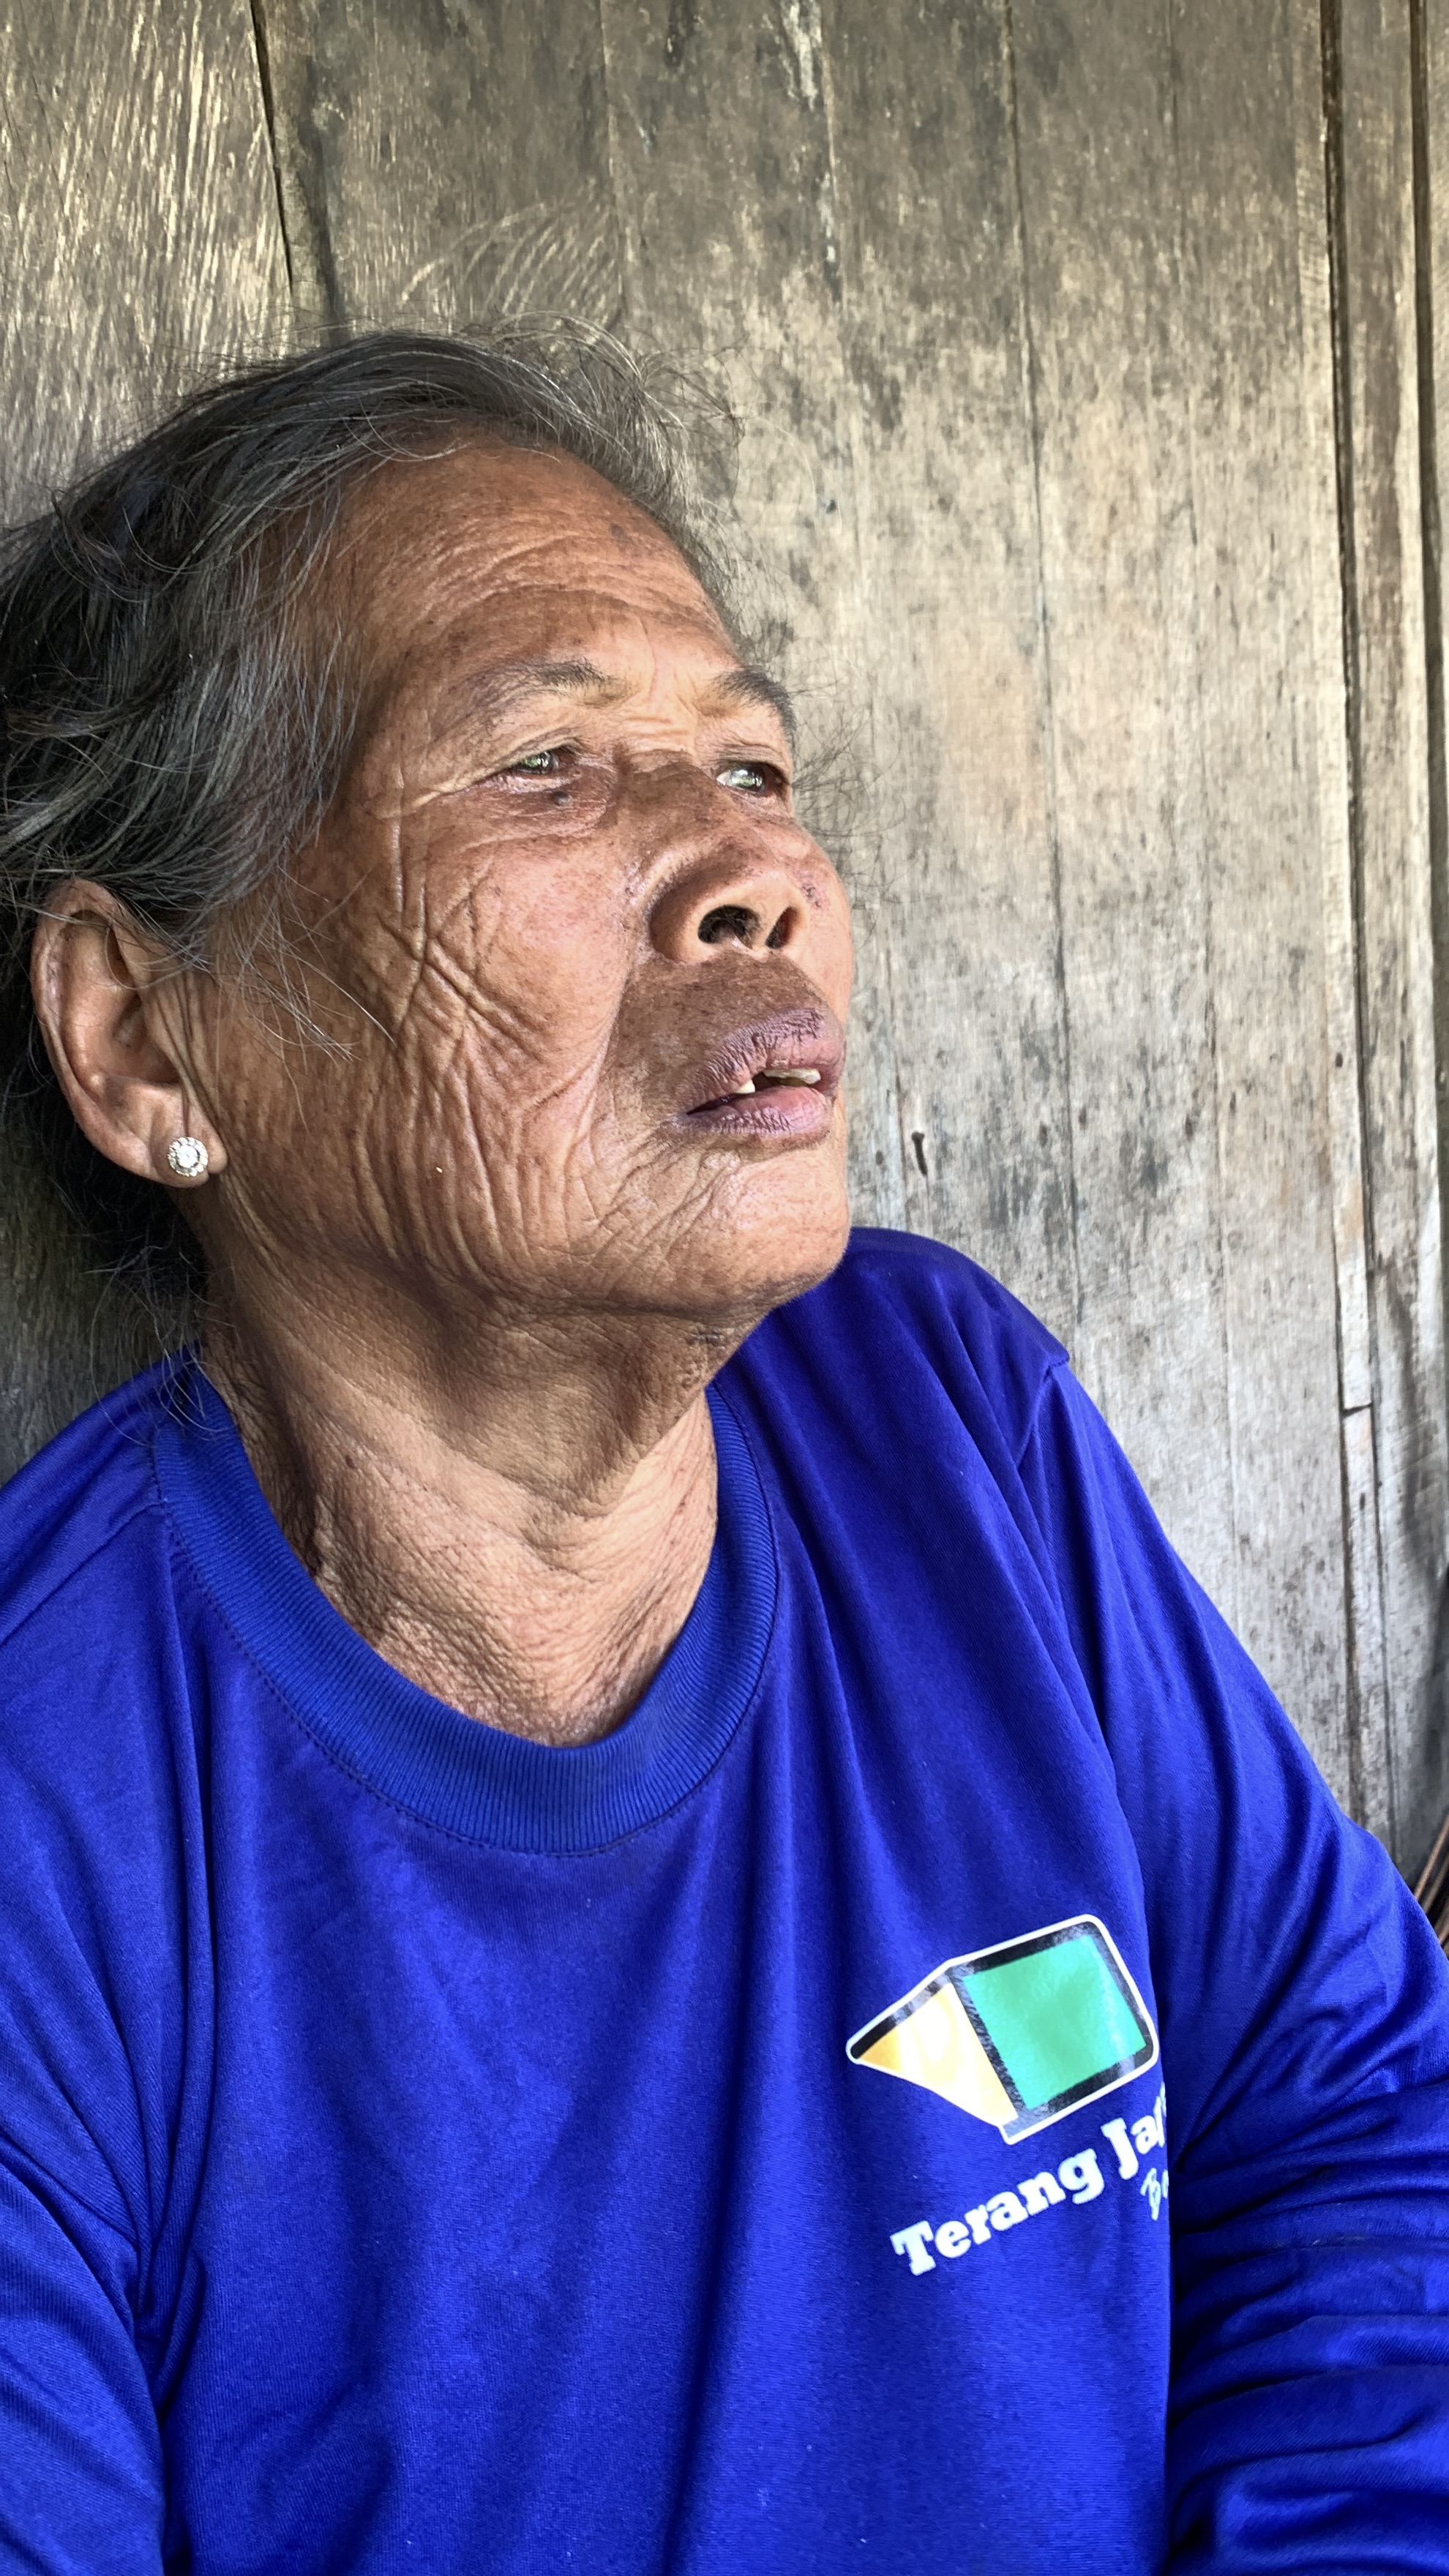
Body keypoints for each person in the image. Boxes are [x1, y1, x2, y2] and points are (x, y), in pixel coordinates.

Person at [0, 329, 1445, 2576]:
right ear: (143, 1036)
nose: (747, 868)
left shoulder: (934, 1414)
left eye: (753, 765)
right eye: (548, 766)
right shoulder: (58, 1814)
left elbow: (1343, 2105)